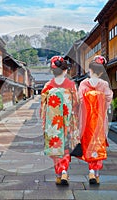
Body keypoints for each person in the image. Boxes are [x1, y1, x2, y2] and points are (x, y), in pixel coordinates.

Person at [40, 56, 79, 186]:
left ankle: (59, 173)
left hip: (53, 124)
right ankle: (64, 172)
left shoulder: (48, 86)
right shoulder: (71, 85)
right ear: (65, 70)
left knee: (56, 148)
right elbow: (76, 103)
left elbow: (43, 106)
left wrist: (44, 122)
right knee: (66, 148)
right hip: (67, 122)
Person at [78, 55, 113, 185]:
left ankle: (91, 170)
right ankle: (95, 172)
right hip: (99, 119)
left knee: (88, 143)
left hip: (87, 120)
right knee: (98, 144)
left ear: (90, 70)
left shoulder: (83, 84)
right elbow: (108, 99)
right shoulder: (104, 85)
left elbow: (80, 100)